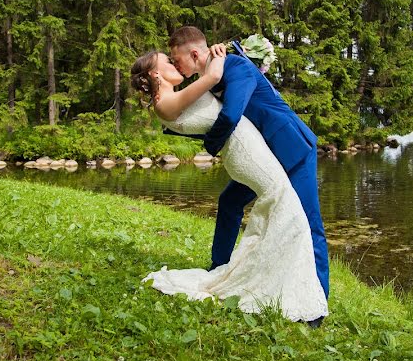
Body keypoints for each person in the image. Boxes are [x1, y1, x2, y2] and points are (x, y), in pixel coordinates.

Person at [130, 50, 328, 323]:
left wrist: (246, 62)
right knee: (289, 207)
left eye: (175, 59)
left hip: (251, 148)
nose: (175, 64)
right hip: (245, 151)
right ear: (154, 74)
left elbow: (226, 90)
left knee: (237, 202)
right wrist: (221, 55)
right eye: (169, 61)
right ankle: (302, 296)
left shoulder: (174, 96)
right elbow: (213, 79)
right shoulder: (166, 102)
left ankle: (230, 268)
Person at [167, 27, 330, 303]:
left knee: (309, 221)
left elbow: (231, 115)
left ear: (194, 53)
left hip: (293, 150)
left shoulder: (236, 67)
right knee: (230, 201)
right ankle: (219, 270)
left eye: (175, 58)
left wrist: (210, 147)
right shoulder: (213, 76)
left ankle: (317, 298)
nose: (174, 64)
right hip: (266, 158)